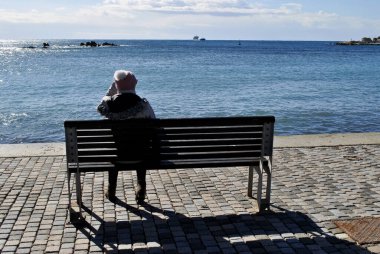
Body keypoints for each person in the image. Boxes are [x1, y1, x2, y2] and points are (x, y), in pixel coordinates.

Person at [97, 70, 155, 203]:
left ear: (116, 85)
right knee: (140, 143)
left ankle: (111, 189)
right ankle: (141, 186)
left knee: (116, 147)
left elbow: (102, 105)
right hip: (141, 155)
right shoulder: (144, 105)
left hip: (116, 155)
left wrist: (111, 91)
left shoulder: (107, 105)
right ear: (133, 84)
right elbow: (155, 126)